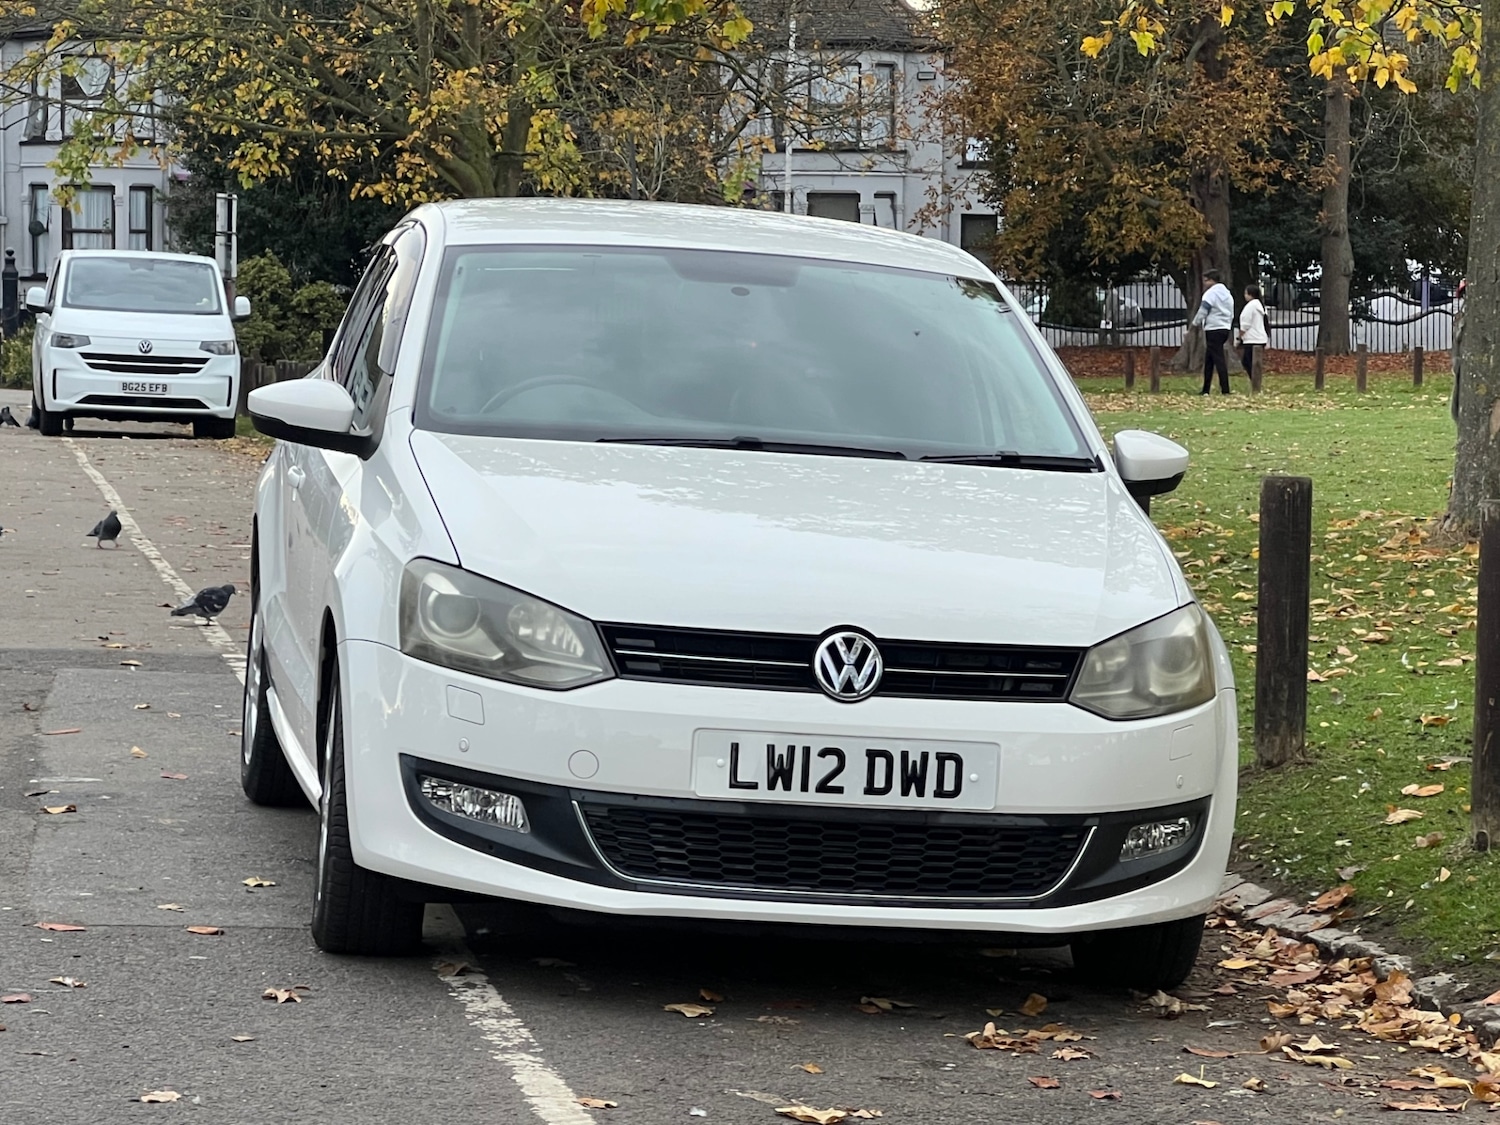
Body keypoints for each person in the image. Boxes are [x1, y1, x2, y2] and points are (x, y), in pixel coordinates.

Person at [1191, 268, 1234, 394]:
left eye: (1206, 280)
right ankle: (1206, 388)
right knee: (1209, 359)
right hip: (1225, 328)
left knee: (1218, 358)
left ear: (1211, 280)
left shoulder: (1211, 294)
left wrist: (1194, 324)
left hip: (1213, 328)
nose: (1204, 283)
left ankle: (1225, 388)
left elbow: (1203, 311)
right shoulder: (1227, 294)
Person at [1237, 284, 1268, 379]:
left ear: (1250, 294)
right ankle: (1255, 379)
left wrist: (1239, 337)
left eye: (1246, 293)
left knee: (1246, 361)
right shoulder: (1260, 305)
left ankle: (1255, 380)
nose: (1244, 295)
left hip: (1252, 338)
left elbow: (1245, 324)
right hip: (1260, 337)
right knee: (1253, 362)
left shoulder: (1250, 306)